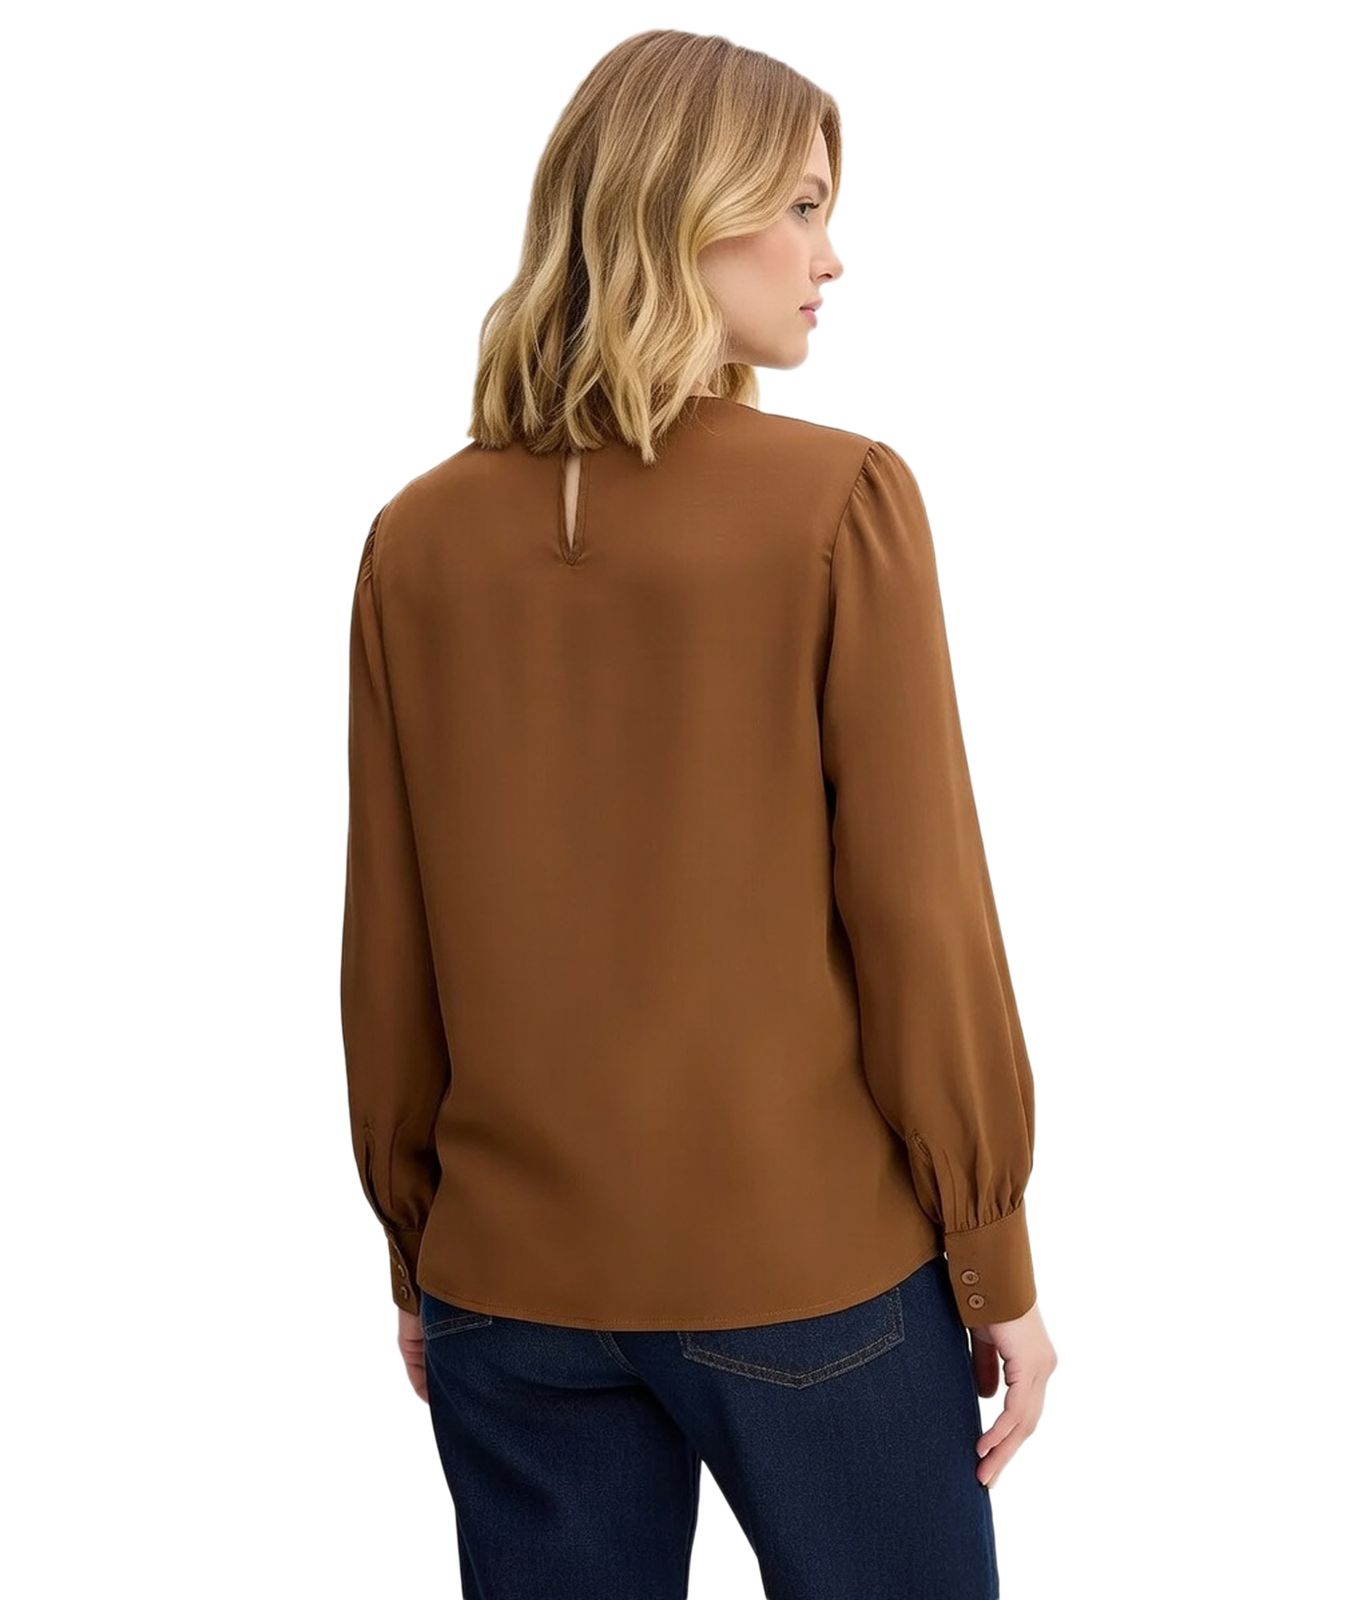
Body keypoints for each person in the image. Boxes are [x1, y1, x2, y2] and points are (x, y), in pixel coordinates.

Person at [340, 26, 1056, 1600]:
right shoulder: (838, 500)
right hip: (807, 1273)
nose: (830, 255)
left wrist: (417, 1245)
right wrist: (989, 1248)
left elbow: (388, 945)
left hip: (506, 1287)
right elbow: (919, 914)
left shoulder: (415, 538)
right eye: (798, 206)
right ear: (684, 210)